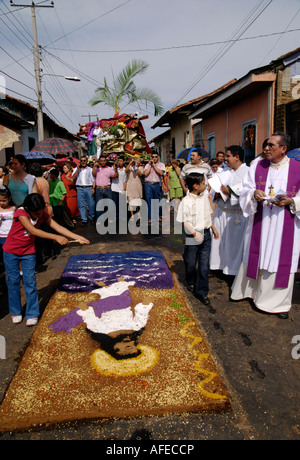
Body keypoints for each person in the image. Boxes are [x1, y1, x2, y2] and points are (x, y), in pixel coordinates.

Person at [231, 133, 300, 319]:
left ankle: (278, 304)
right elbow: (245, 190)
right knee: (255, 253)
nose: (266, 148)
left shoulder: (297, 169)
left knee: (279, 258)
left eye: (270, 145)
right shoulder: (257, 166)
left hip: (284, 224)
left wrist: (291, 201)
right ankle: (251, 293)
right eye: (266, 145)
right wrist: (254, 194)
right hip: (260, 221)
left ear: (283, 148)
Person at [2, 193, 89, 326]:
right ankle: (16, 311)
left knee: (30, 281)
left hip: (28, 252)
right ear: (27, 208)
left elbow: (58, 227)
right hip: (10, 251)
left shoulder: (42, 213)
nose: (39, 216)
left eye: (40, 212)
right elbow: (33, 230)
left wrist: (78, 237)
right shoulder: (20, 212)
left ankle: (32, 313)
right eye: (36, 214)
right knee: (12, 281)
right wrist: (55, 237)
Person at [176, 172, 219, 306]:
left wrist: (213, 228)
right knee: (190, 261)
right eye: (202, 183)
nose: (205, 185)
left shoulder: (204, 198)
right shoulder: (186, 201)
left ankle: (202, 291)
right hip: (193, 235)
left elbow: (207, 215)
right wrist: (194, 233)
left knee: (204, 265)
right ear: (195, 186)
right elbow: (183, 220)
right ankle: (190, 281)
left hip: (206, 235)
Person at [210, 145, 249, 277]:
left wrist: (230, 193)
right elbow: (214, 188)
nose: (225, 159)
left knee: (233, 245)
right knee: (218, 243)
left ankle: (232, 271)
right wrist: (215, 193)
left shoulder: (248, 172)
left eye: (227, 156)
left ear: (236, 157)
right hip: (221, 211)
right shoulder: (224, 171)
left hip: (235, 215)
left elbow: (247, 193)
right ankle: (217, 267)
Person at [72, 156, 95, 226]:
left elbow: (93, 180)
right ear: (80, 162)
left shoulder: (90, 169)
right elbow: (73, 178)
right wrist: (77, 169)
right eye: (81, 161)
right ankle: (84, 219)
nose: (83, 162)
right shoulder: (76, 169)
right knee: (81, 205)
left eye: (84, 161)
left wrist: (93, 188)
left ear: (87, 161)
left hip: (89, 187)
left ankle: (91, 217)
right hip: (80, 188)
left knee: (91, 204)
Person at [92, 156, 116, 221]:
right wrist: (94, 166)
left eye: (104, 161)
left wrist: (115, 169)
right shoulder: (97, 168)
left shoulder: (109, 169)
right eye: (101, 161)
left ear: (106, 161)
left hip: (107, 189)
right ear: (99, 162)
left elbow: (115, 176)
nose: (103, 162)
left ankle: (111, 218)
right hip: (98, 189)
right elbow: (93, 174)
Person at [144, 151, 165, 222]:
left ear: (158, 157)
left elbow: (161, 172)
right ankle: (149, 217)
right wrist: (150, 165)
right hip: (148, 184)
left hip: (156, 184)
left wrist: (154, 166)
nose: (154, 158)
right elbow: (146, 174)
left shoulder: (161, 164)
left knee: (157, 200)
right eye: (153, 157)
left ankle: (158, 216)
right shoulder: (147, 165)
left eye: (156, 157)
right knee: (148, 201)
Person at [111, 156, 127, 223]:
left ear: (123, 162)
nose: (119, 162)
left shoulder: (125, 170)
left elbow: (125, 181)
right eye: (118, 161)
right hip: (114, 189)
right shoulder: (113, 168)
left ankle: (122, 218)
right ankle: (115, 217)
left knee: (122, 205)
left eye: (121, 161)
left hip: (121, 189)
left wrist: (124, 189)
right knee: (114, 204)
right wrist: (114, 167)